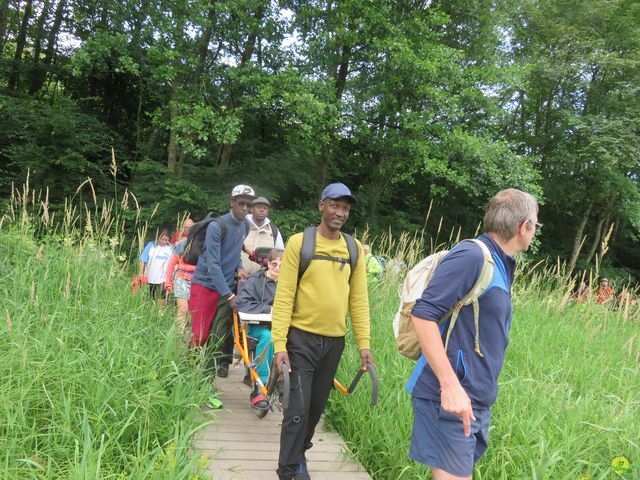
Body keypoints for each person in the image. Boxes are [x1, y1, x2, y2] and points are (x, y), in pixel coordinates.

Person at [407, 188, 539, 480]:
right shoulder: (472, 255)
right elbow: (423, 315)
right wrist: (450, 387)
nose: (535, 230)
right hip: (450, 397)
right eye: (535, 224)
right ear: (523, 226)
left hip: (475, 398)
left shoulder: (500, 263)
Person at [271, 182, 374, 480]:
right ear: (321, 205)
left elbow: (359, 299)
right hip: (300, 339)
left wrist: (363, 343)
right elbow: (285, 296)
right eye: (334, 205)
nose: (339, 212)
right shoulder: (299, 243)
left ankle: (300, 453)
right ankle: (288, 470)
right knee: (297, 408)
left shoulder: (353, 249)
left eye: (345, 208)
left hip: (334, 343)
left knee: (315, 409)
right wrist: (280, 345)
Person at [189, 185, 254, 386]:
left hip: (225, 291)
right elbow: (212, 264)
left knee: (216, 340)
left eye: (248, 204)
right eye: (241, 203)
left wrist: (239, 267)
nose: (245, 208)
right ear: (232, 203)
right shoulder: (217, 226)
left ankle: (206, 386)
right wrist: (229, 295)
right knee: (199, 337)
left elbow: (234, 253)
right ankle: (186, 377)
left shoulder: (245, 226)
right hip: (205, 286)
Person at [236, 249, 283, 409]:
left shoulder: (289, 283)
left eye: (282, 266)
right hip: (256, 328)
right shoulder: (255, 280)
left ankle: (287, 383)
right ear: (268, 263)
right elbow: (241, 302)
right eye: (274, 264)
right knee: (268, 337)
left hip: (281, 328)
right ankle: (260, 387)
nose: (277, 268)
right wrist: (268, 309)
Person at [241, 196, 285, 275]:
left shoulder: (274, 230)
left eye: (265, 208)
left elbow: (280, 256)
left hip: (263, 280)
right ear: (251, 209)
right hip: (237, 277)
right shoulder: (240, 225)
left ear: (267, 212)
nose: (262, 210)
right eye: (258, 207)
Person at [165, 238, 196, 335]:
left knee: (193, 313)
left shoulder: (206, 244)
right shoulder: (183, 243)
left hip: (197, 281)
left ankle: (188, 340)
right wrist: (168, 282)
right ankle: (178, 337)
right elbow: (172, 263)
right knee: (183, 309)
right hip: (181, 278)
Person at [138, 229, 173, 306]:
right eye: (162, 239)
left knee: (162, 297)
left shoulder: (170, 248)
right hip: (150, 277)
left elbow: (173, 263)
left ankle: (160, 313)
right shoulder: (151, 246)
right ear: (158, 237)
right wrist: (141, 273)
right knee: (151, 297)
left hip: (163, 278)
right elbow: (143, 259)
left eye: (166, 240)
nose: (164, 242)